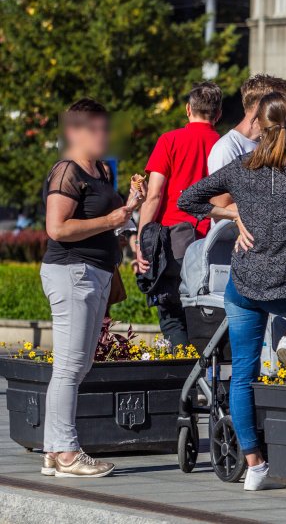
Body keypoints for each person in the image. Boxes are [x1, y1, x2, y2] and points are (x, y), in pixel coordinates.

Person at [178, 92, 286, 491]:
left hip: (243, 287)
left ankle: (255, 464)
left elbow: (187, 199)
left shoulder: (240, 168)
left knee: (243, 374)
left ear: (257, 126)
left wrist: (231, 213)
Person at [40, 99, 145, 478]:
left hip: (95, 273)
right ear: (75, 131)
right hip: (72, 272)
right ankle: (67, 452)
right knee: (70, 366)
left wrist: (129, 208)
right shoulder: (66, 171)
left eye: (106, 127)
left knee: (76, 365)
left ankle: (55, 450)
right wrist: (112, 218)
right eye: (95, 129)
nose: (104, 135)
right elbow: (57, 228)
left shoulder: (100, 170)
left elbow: (109, 221)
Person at [136, 81, 223, 347]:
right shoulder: (224, 145)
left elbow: (154, 195)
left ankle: (183, 379)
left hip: (172, 247)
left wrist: (141, 241)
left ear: (188, 109)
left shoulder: (169, 140)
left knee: (172, 318)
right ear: (218, 114)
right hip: (214, 244)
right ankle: (206, 381)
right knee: (208, 319)